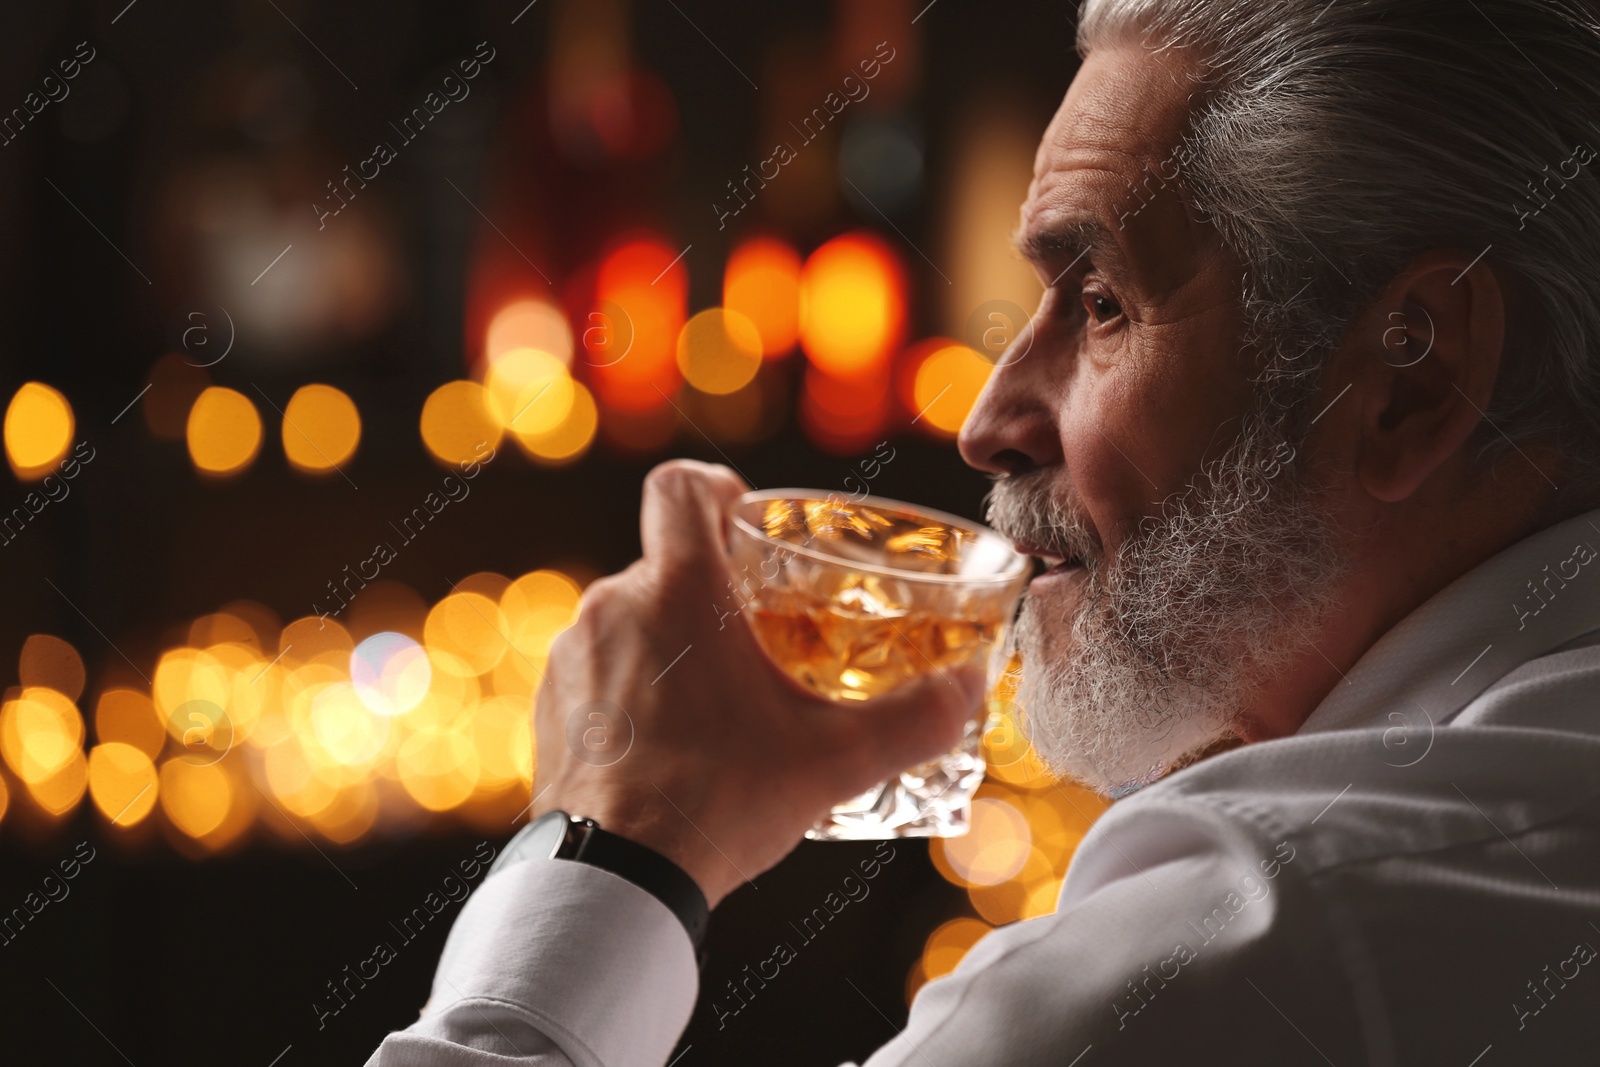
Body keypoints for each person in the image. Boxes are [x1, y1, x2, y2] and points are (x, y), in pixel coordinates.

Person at [369, 1, 1600, 1062]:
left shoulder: (1248, 941)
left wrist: (616, 844)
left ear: (1406, 382)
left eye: (1104, 302)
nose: (988, 418)